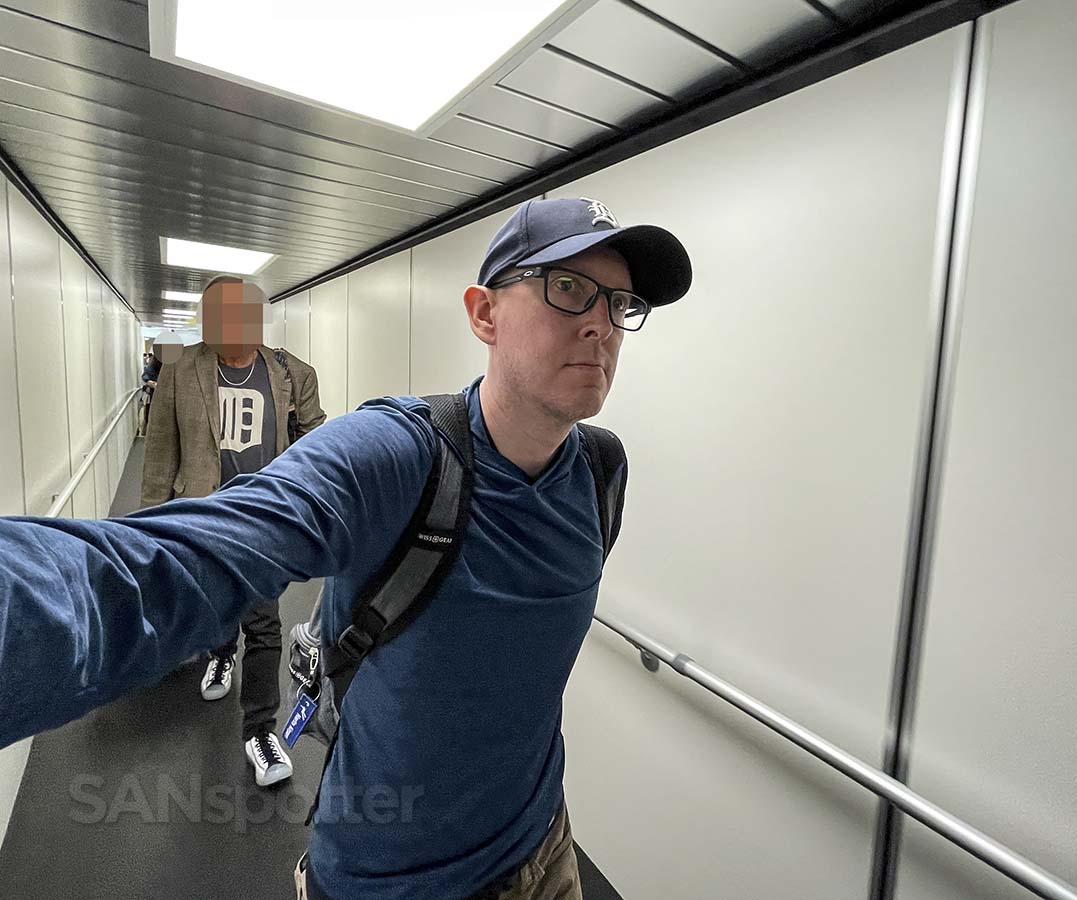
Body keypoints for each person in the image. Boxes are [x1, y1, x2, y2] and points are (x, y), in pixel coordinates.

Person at [0, 197, 691, 899]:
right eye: (567, 289)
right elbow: (164, 569)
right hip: (389, 880)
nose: (601, 325)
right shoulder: (397, 456)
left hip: (544, 849)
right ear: (484, 313)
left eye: (620, 303)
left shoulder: (601, 473)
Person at [142, 274, 326, 787]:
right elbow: (159, 452)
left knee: (264, 621)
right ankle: (222, 654)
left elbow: (318, 442)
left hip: (264, 519)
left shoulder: (293, 373)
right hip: (205, 515)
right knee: (221, 604)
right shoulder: (182, 370)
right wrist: (149, 533)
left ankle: (260, 729)